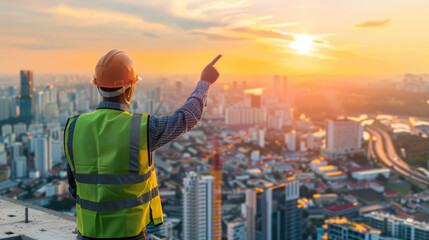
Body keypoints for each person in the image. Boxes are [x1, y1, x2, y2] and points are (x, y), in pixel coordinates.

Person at [65, 49, 221, 239]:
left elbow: (74, 187)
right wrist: (204, 83)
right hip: (129, 235)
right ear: (130, 89)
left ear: (98, 87)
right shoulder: (141, 128)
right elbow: (187, 117)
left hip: (87, 234)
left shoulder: (74, 127)